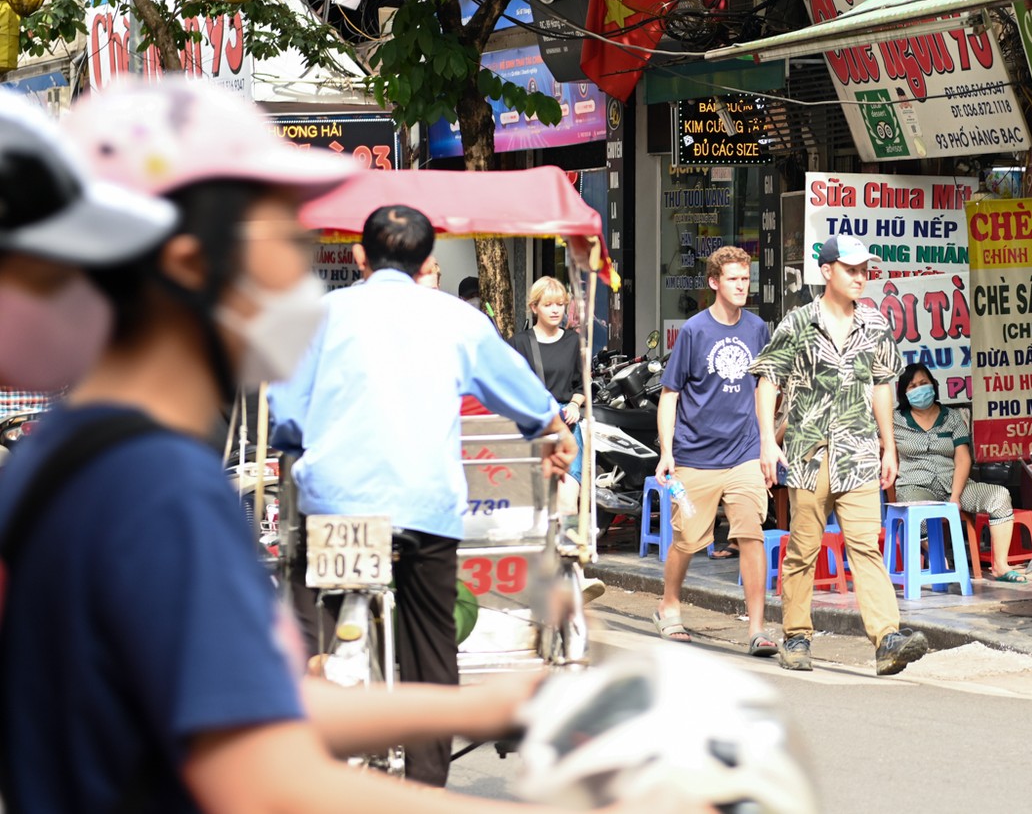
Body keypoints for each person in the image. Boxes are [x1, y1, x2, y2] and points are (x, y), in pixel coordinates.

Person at [0, 78, 591, 814]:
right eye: (284, 239)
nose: (301, 277)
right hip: (427, 508)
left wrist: (484, 706)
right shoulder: (160, 490)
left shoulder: (63, 453)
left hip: (332, 500)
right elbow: (265, 777)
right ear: (191, 263)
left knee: (315, 613)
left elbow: (248, 707)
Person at [270, 203, 578, 788]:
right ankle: (427, 786)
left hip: (338, 512)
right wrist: (551, 428)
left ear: (361, 257)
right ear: (425, 262)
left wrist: (303, 444)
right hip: (425, 512)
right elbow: (520, 391)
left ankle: (321, 732)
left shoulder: (320, 316)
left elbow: (286, 414)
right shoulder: (456, 320)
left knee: (321, 630)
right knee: (432, 655)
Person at [752, 236, 929, 676]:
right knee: (803, 549)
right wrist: (767, 441)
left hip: (859, 452)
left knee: (866, 546)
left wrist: (889, 444)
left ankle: (887, 638)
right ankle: (796, 635)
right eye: (851, 269)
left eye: (865, 269)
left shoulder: (875, 325)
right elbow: (768, 382)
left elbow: (883, 386)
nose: (860, 277)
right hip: (809, 453)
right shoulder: (797, 324)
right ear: (826, 270)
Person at [653, 246, 775, 654]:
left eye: (746, 278)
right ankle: (669, 604)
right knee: (687, 540)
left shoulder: (758, 328)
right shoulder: (694, 331)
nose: (743, 286)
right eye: (734, 279)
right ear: (714, 283)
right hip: (695, 454)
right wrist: (666, 451)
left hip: (744, 451)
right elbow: (670, 394)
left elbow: (764, 388)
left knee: (750, 535)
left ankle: (757, 627)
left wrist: (768, 443)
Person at [890, 365, 1025, 582]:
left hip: (955, 485)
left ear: (933, 385)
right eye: (912, 386)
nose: (919, 389)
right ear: (904, 393)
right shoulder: (895, 419)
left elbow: (963, 458)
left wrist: (955, 496)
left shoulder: (951, 417)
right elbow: (873, 440)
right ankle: (938, 560)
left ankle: (1000, 565)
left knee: (999, 496)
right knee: (917, 514)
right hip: (915, 487)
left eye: (923, 383)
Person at [515, 275, 584, 425]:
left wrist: (574, 405)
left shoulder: (574, 341)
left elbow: (582, 385)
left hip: (565, 421)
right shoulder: (519, 343)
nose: (555, 310)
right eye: (547, 305)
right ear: (534, 307)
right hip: (532, 421)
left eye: (560, 304)